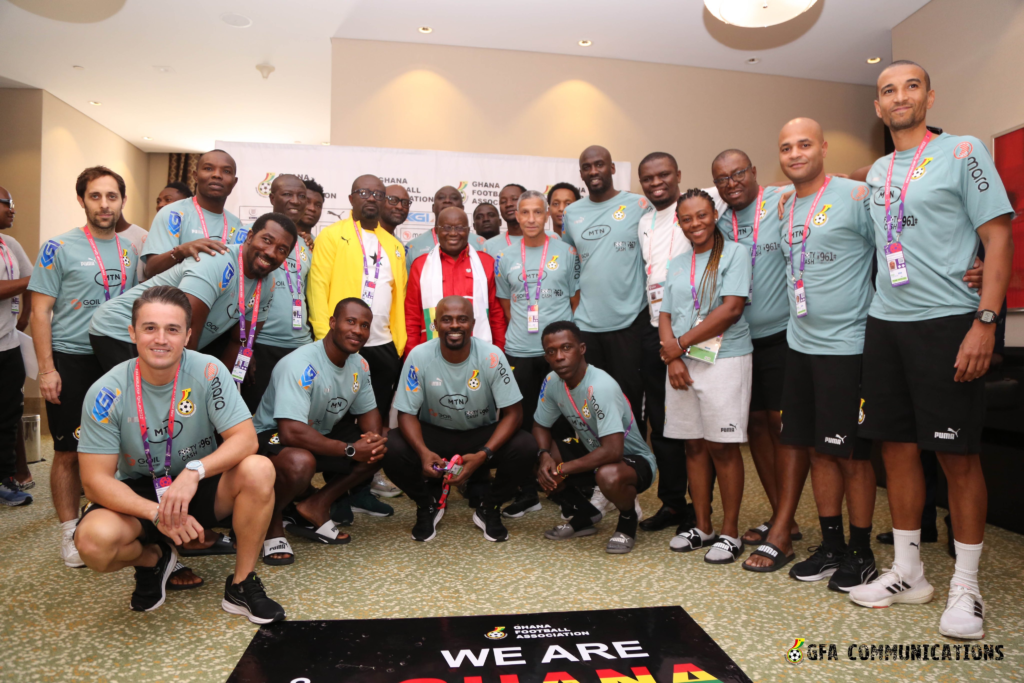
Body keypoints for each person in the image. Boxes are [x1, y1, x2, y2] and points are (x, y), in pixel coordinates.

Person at [850, 61, 1014, 641]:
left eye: (910, 86)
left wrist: (985, 322)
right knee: (894, 451)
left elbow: (997, 236)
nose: (900, 97)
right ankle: (909, 572)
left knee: (957, 456)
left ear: (929, 96)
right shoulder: (876, 170)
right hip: (885, 325)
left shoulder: (963, 150)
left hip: (948, 325)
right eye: (888, 90)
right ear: (878, 106)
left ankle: (966, 587)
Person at [74, 285, 285, 623]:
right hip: (139, 494)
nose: (161, 339)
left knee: (259, 469)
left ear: (187, 335)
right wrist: (157, 513)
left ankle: (242, 584)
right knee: (93, 544)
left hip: (198, 485)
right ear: (132, 333)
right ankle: (153, 560)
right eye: (150, 328)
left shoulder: (208, 371)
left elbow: (246, 439)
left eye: (172, 329)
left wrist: (195, 472)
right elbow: (95, 481)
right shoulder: (106, 391)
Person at [741, 120, 878, 594]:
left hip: (847, 347)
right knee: (818, 450)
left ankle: (862, 553)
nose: (795, 153)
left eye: (804, 144)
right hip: (799, 344)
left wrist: (972, 265)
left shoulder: (856, 197)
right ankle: (832, 545)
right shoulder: (783, 206)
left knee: (852, 456)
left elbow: (899, 243)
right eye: (786, 147)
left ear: (823, 146)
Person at [28, 166, 141, 567]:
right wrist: (46, 369)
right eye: (96, 196)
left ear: (122, 201)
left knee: (121, 445)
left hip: (115, 357)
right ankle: (68, 531)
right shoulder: (57, 247)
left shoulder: (130, 251)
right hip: (70, 358)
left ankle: (111, 518)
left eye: (112, 197)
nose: (105, 204)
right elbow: (39, 312)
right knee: (69, 449)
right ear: (82, 200)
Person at [384, 296, 537, 542]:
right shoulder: (419, 356)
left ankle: (490, 507)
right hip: (435, 435)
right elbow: (406, 414)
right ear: (435, 324)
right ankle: (427, 504)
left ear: (473, 324)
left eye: (462, 319)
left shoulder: (492, 356)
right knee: (390, 445)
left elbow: (514, 414)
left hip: (479, 436)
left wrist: (484, 454)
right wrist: (423, 452)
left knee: (526, 445)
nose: (455, 325)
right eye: (447, 319)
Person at [252, 298, 387, 563]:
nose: (358, 330)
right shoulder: (300, 365)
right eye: (350, 321)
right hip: (271, 434)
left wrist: (371, 440)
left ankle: (316, 504)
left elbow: (369, 413)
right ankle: (271, 521)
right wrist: (350, 450)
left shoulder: (359, 365)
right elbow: (291, 432)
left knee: (383, 446)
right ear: (332, 323)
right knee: (301, 462)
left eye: (365, 325)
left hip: (319, 431)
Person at [711, 149, 800, 547]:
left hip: (784, 334)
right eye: (723, 178)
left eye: (738, 173)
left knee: (785, 426)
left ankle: (785, 518)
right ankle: (783, 515)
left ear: (754, 173)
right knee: (758, 428)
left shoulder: (782, 203)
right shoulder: (718, 223)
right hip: (742, 340)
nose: (732, 183)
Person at [659, 188, 752, 564]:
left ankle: (730, 533)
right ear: (678, 223)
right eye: (686, 218)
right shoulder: (677, 263)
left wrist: (678, 345)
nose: (694, 223)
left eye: (701, 215)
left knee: (722, 447)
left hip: (724, 360)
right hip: (682, 364)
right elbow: (664, 313)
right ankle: (703, 526)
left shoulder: (735, 254)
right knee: (693, 445)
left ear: (714, 215)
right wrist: (673, 357)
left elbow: (730, 309)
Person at [88, 213, 294, 373]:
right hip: (119, 328)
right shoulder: (215, 261)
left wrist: (224, 387)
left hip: (166, 337)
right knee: (148, 397)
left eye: (282, 250)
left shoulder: (268, 284)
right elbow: (186, 330)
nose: (271, 252)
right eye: (267, 240)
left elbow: (241, 342)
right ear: (249, 237)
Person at [534, 321, 657, 554]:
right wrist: (544, 457)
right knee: (534, 455)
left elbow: (613, 452)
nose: (559, 356)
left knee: (608, 474)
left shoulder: (600, 385)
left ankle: (628, 519)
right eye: (552, 351)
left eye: (566, 348)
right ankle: (587, 514)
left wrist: (563, 469)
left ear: (581, 349)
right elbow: (540, 425)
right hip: (592, 451)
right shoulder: (552, 381)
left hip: (633, 461)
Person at [634, 153, 709, 534]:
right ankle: (673, 504)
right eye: (648, 178)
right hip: (655, 328)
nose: (656, 182)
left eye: (664, 175)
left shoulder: (699, 203)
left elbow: (753, 191)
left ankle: (703, 508)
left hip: (696, 331)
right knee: (661, 423)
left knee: (698, 425)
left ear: (679, 175)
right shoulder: (644, 220)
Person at [494, 191, 580, 518]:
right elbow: (507, 304)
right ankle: (527, 491)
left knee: (563, 421)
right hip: (519, 350)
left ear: (547, 215)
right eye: (524, 212)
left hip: (558, 354)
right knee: (526, 423)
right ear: (516, 216)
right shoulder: (504, 257)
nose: (531, 219)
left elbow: (575, 299)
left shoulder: (567, 252)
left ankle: (564, 486)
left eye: (537, 213)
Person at [559, 145, 646, 429]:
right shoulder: (571, 214)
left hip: (629, 321)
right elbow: (570, 264)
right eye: (587, 166)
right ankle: (598, 463)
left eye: (599, 164)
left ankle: (634, 465)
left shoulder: (639, 205)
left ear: (612, 168)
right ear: (581, 172)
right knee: (592, 401)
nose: (593, 171)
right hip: (587, 325)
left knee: (629, 399)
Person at [308, 175, 408, 417]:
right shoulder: (331, 236)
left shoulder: (394, 245)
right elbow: (317, 288)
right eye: (364, 193)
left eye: (378, 194)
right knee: (335, 413)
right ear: (351, 198)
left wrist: (398, 345)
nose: (372, 198)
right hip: (341, 343)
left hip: (383, 346)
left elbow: (399, 297)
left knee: (377, 413)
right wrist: (324, 338)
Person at [235, 176, 313, 412]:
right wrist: (244, 347)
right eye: (287, 194)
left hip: (300, 345)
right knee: (255, 414)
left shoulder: (307, 244)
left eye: (301, 196)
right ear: (271, 198)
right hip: (260, 343)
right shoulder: (249, 237)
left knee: (293, 413)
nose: (296, 201)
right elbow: (235, 293)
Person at [405, 207, 506, 354]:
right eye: (446, 228)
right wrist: (411, 356)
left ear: (468, 230)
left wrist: (498, 353)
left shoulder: (486, 263)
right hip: (430, 352)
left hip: (479, 351)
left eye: (459, 228)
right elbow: (412, 317)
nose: (453, 233)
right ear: (437, 230)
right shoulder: (420, 265)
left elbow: (497, 316)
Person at [141, 150, 244, 279]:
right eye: (208, 168)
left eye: (226, 171)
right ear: (195, 176)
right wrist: (181, 251)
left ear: (234, 182)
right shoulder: (172, 214)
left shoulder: (237, 224)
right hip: (175, 297)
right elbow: (151, 270)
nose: (217, 175)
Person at [0, 186, 33, 506]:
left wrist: (23, 317)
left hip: (8, 345)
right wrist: (31, 282)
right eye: (7, 203)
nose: (12, 209)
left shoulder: (9, 244)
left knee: (9, 414)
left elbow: (30, 279)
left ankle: (7, 479)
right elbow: (32, 280)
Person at [404, 186, 486, 269]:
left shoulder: (481, 244)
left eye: (454, 198)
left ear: (462, 208)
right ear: (433, 207)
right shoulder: (413, 246)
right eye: (441, 198)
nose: (447, 201)